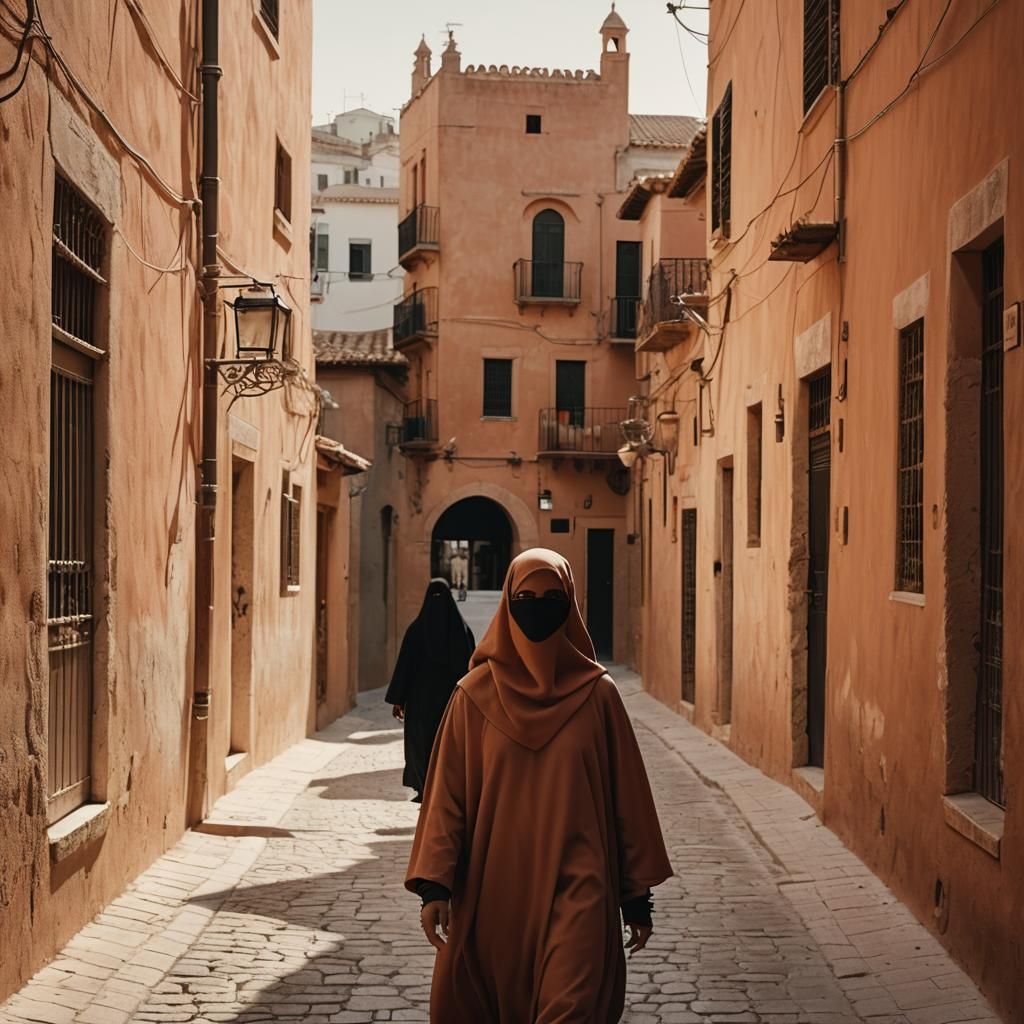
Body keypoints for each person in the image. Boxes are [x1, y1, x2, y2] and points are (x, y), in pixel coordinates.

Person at [405, 548, 672, 1023]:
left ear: (570, 603)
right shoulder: (473, 697)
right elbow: (448, 801)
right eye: (525, 596)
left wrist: (636, 898)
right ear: (509, 602)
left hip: (581, 888)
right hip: (493, 890)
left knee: (572, 1008)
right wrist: (434, 886)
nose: (537, 606)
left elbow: (626, 801)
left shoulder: (598, 695)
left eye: (552, 597)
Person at [385, 578, 476, 803]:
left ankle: (424, 786)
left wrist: (399, 699)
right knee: (448, 744)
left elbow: (405, 665)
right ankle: (444, 788)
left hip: (420, 703)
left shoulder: (416, 630)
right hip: (451, 701)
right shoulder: (461, 631)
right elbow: (472, 668)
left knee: (421, 743)